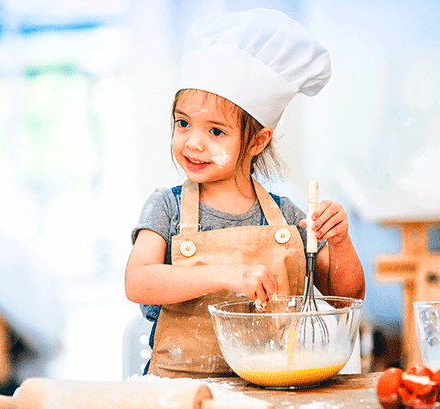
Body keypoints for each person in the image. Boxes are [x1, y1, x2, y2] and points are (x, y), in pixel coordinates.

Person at [125, 8, 365, 378]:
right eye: (183, 123)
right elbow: (138, 281)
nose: (193, 143)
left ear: (257, 141)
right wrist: (228, 275)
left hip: (272, 385)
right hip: (179, 388)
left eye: (215, 132)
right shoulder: (166, 207)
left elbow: (344, 297)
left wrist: (341, 242)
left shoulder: (286, 217)